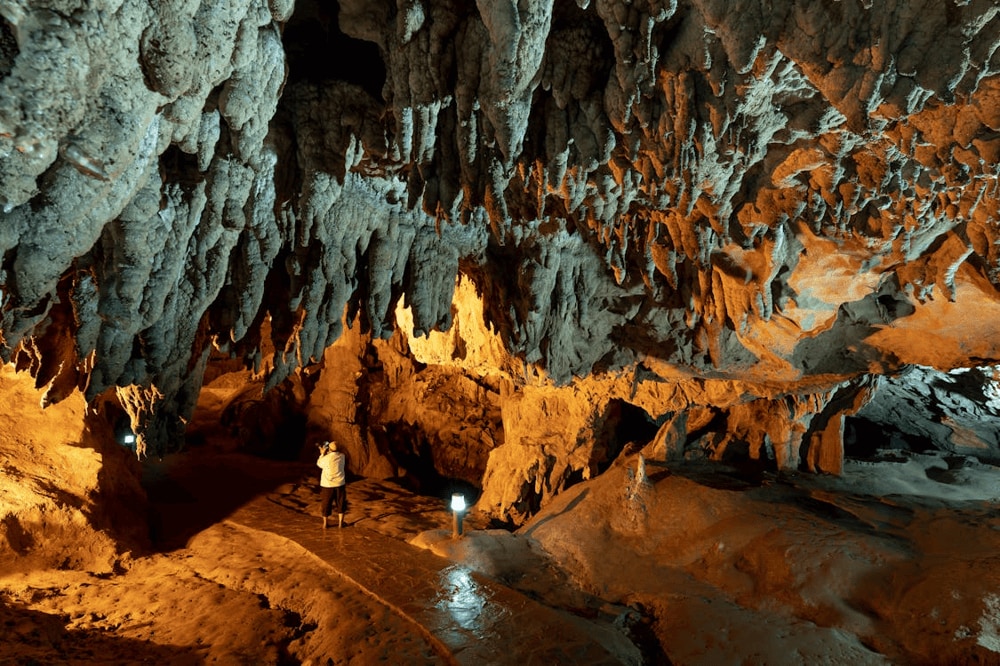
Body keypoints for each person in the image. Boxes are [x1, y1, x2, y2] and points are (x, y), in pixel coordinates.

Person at [317, 441, 347, 528]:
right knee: (341, 503)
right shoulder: (342, 456)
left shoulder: (325, 458)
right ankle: (340, 523)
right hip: (340, 484)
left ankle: (325, 524)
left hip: (327, 485)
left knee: (326, 503)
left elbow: (319, 464)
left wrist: (322, 454)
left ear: (329, 449)